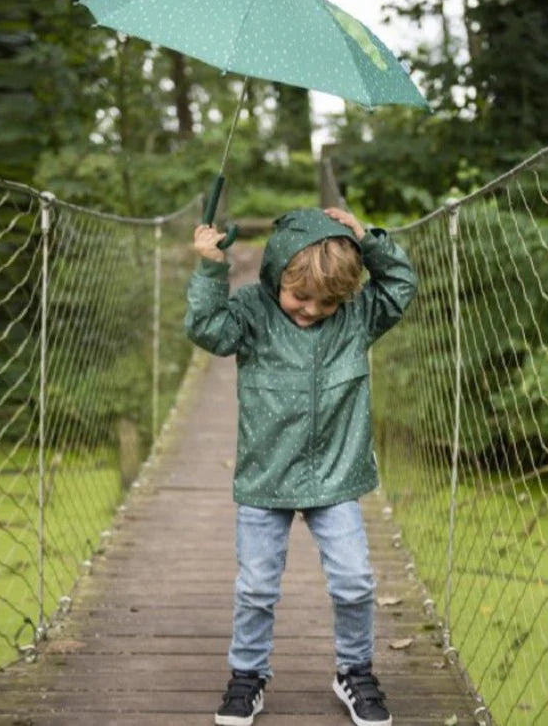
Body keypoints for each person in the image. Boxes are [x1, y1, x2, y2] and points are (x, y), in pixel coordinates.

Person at [185, 207, 418, 726]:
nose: (312, 310)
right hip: (265, 478)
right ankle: (248, 673)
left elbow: (400, 283)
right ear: (275, 276)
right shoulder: (252, 311)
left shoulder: (358, 316)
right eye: (300, 296)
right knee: (256, 588)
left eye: (328, 302)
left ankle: (354, 670)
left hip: (336, 478)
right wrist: (210, 269)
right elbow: (207, 330)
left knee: (355, 581)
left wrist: (366, 239)